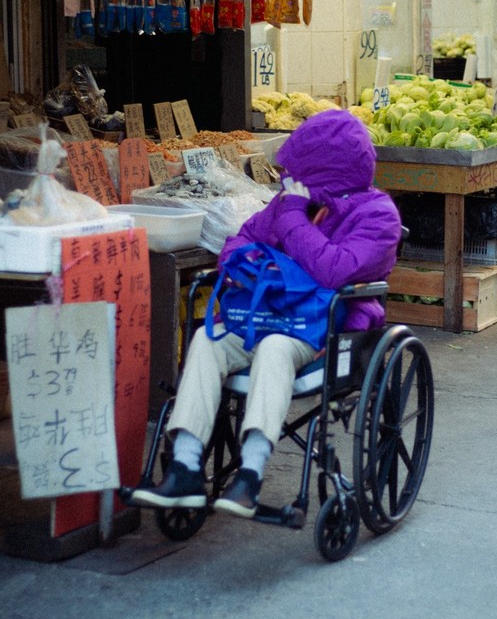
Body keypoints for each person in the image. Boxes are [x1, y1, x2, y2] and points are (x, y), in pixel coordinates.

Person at [132, 108, 403, 519]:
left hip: (329, 329)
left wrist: (293, 218)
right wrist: (262, 264)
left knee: (276, 347)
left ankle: (251, 472)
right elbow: (237, 243)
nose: (284, 178)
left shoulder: (377, 215)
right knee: (209, 338)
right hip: (265, 315)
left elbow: (335, 271)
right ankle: (186, 465)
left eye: (297, 170)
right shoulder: (288, 203)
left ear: (323, 171)